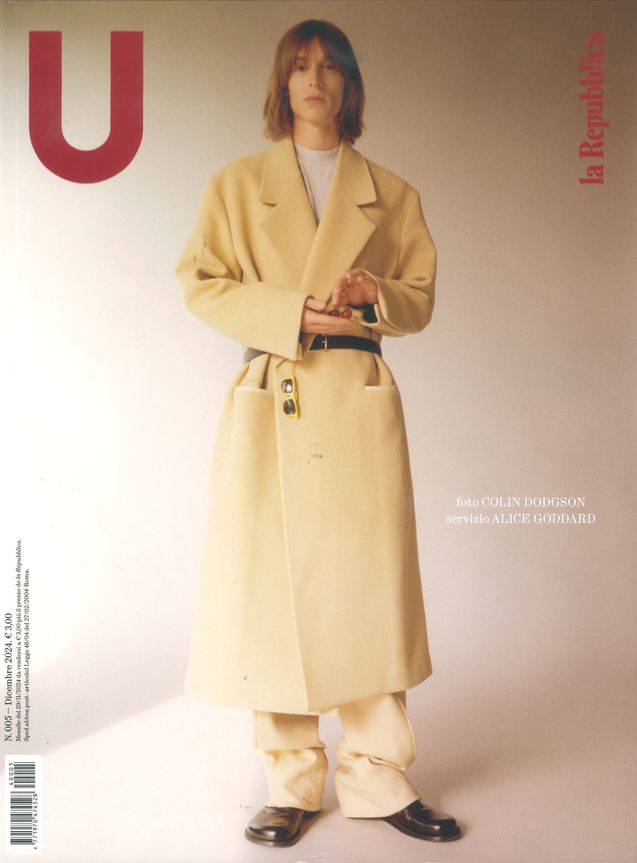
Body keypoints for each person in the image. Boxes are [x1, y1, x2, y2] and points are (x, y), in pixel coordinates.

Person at [176, 18, 462, 847]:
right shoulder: (236, 185)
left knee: (371, 585)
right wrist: (287, 311)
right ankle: (291, 779)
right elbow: (200, 280)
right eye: (299, 66)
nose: (314, 79)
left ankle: (377, 773)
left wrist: (374, 294)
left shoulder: (391, 193)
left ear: (349, 84)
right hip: (277, 389)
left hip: (355, 393)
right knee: (276, 589)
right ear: (282, 82)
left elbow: (418, 297)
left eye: (330, 66)